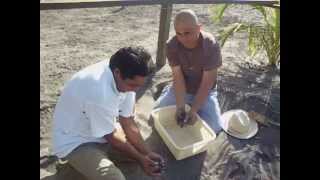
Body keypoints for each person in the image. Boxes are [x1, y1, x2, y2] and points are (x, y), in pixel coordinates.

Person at [52, 47, 164, 180]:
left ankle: (80, 168)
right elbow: (111, 136)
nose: (135, 90)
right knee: (115, 178)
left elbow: (127, 120)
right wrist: (141, 158)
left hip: (101, 129)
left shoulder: (124, 73)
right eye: (133, 85)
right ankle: (71, 168)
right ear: (117, 73)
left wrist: (147, 153)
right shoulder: (99, 92)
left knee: (141, 150)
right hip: (76, 142)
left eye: (140, 85)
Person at [154, 9, 223, 133]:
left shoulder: (210, 45)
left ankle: (193, 105)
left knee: (215, 127)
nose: (183, 38)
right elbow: (178, 77)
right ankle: (168, 90)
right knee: (156, 114)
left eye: (187, 33)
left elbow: (207, 82)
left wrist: (194, 109)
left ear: (198, 28)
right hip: (182, 89)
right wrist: (180, 107)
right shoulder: (171, 45)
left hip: (205, 91)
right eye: (179, 33)